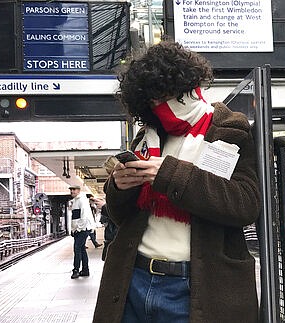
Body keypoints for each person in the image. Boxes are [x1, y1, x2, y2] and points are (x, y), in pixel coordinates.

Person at [93, 40, 261, 323]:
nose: (159, 105)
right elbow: (123, 217)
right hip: (133, 279)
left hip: (195, 287)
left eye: (164, 94)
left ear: (187, 84)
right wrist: (120, 187)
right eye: (151, 100)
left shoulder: (230, 129)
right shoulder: (148, 137)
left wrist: (169, 174)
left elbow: (244, 204)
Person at [68, 185, 94, 279]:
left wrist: (78, 229)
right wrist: (73, 229)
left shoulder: (82, 200)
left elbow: (84, 217)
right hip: (79, 229)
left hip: (82, 229)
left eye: (74, 190)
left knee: (77, 249)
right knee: (82, 249)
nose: (72, 191)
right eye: (71, 190)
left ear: (79, 190)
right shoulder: (75, 201)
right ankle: (85, 270)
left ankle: (76, 270)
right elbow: (75, 218)